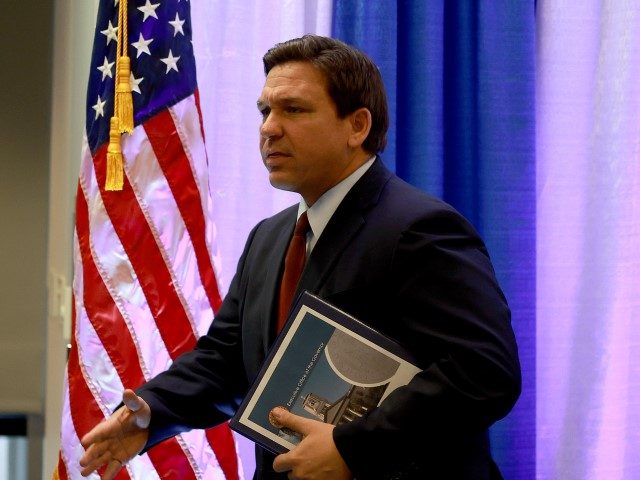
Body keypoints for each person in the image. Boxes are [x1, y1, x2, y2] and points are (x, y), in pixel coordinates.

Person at [79, 34, 521, 480]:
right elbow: (227, 360)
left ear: (357, 126)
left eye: (293, 109)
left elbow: (483, 371)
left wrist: (353, 448)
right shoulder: (268, 239)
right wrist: (150, 413)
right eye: (264, 111)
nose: (269, 128)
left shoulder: (419, 228)